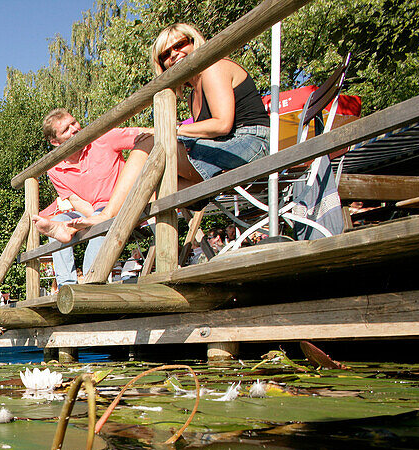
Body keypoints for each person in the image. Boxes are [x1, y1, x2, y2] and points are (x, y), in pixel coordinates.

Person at [35, 23, 270, 257]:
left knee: (147, 142)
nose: (173, 55)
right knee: (149, 193)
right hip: (223, 152)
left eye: (179, 45)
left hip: (249, 143)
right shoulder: (192, 94)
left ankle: (105, 217)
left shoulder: (213, 66)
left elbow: (222, 125)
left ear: (194, 41)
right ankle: (73, 229)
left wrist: (169, 130)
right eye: (165, 54)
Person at [36, 109, 151, 285]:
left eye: (74, 123)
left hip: (121, 203)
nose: (74, 129)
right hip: (92, 210)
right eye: (66, 129)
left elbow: (144, 134)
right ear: (54, 141)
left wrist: (179, 129)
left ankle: (91, 283)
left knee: (99, 226)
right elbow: (75, 200)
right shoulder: (54, 168)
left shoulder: (101, 138)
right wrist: (92, 218)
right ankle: (66, 284)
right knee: (58, 222)